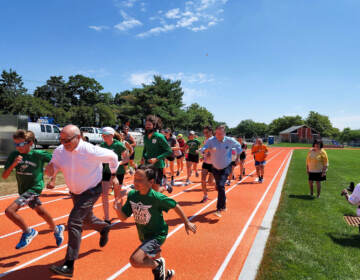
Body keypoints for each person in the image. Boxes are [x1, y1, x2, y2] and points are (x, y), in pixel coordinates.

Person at [45, 125, 119, 277]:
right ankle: (103, 227)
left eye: (67, 140)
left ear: (78, 138)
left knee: (74, 222)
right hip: (75, 191)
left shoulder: (90, 150)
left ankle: (69, 265)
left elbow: (113, 157)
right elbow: (54, 165)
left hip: (92, 189)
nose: (63, 143)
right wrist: (50, 172)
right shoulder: (60, 151)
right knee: (87, 218)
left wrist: (112, 174)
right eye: (61, 140)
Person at [113, 164, 197, 280]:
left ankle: (158, 266)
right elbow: (123, 218)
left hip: (157, 235)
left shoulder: (156, 197)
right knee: (155, 259)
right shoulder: (132, 195)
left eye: (140, 180)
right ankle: (167, 274)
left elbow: (174, 205)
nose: (136, 182)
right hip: (144, 235)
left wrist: (186, 222)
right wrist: (117, 208)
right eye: (135, 179)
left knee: (135, 260)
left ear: (151, 182)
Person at [2, 130, 65, 250]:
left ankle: (28, 232)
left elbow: (55, 163)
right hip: (23, 190)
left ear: (30, 143)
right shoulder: (14, 155)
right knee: (40, 212)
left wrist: (52, 180)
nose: (18, 147)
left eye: (20, 144)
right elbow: (4, 176)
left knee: (10, 211)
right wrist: (13, 164)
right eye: (15, 144)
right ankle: (57, 229)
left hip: (34, 188)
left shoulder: (38, 154)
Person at [201, 125, 242, 217]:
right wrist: (207, 150)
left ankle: (219, 209)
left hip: (226, 167)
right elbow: (203, 150)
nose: (218, 135)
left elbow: (239, 146)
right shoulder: (211, 141)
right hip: (215, 168)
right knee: (218, 187)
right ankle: (223, 202)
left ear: (224, 133)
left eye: (220, 133)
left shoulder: (229, 140)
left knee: (220, 186)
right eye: (217, 133)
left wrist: (237, 158)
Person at [100, 127, 128, 224]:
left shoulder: (119, 145)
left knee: (117, 195)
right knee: (104, 195)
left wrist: (118, 163)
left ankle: (119, 210)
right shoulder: (102, 145)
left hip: (118, 172)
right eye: (103, 136)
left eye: (106, 136)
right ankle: (106, 218)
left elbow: (126, 159)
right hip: (106, 172)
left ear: (111, 135)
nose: (104, 137)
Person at [141, 115, 173, 193]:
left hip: (158, 166)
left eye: (149, 125)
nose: (147, 126)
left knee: (155, 190)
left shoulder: (160, 136)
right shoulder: (145, 137)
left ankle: (165, 187)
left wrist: (157, 158)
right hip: (147, 165)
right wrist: (143, 157)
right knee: (147, 187)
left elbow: (169, 151)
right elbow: (145, 149)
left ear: (154, 125)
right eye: (146, 125)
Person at [200, 126, 214, 203]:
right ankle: (205, 196)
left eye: (206, 132)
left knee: (210, 182)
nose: (205, 134)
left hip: (213, 164)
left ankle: (218, 183)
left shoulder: (215, 140)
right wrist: (203, 156)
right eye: (204, 132)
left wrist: (210, 154)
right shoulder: (205, 140)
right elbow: (205, 151)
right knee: (202, 180)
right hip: (206, 163)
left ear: (211, 132)